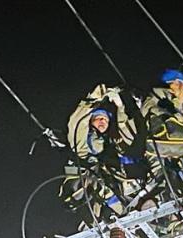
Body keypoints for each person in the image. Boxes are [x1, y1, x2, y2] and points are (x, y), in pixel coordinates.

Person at [59, 85, 140, 221]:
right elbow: (76, 123)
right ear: (91, 121)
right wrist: (92, 100)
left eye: (106, 119)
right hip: (91, 185)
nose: (103, 121)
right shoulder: (83, 142)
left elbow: (127, 130)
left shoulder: (111, 142)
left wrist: (122, 106)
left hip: (117, 186)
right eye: (99, 118)